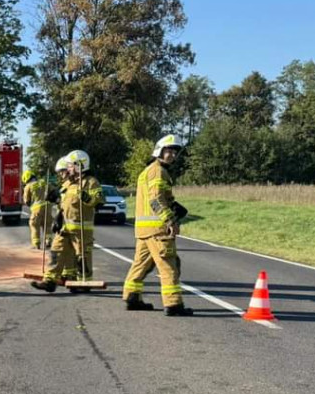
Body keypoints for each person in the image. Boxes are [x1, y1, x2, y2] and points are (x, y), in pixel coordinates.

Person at [122, 134, 193, 316]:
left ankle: (132, 297)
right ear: (159, 151)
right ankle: (174, 304)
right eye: (169, 151)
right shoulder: (158, 171)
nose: (172, 155)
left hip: (144, 231)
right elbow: (156, 199)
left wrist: (173, 205)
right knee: (169, 265)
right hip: (158, 230)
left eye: (175, 152)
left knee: (140, 265)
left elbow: (152, 199)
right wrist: (170, 220)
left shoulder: (147, 171)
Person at [31, 149, 104, 293]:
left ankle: (84, 282)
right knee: (55, 251)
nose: (68, 168)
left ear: (79, 165)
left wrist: (87, 198)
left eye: (70, 165)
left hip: (81, 229)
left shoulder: (91, 182)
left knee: (82, 256)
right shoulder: (68, 184)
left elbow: (99, 201)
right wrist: (55, 200)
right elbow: (64, 202)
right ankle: (50, 281)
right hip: (64, 227)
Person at [22, 169, 56, 249]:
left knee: (34, 225)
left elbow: (26, 200)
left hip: (36, 209)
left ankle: (36, 244)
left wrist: (29, 203)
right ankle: (48, 241)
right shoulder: (44, 182)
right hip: (48, 208)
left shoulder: (28, 186)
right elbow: (53, 191)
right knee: (47, 225)